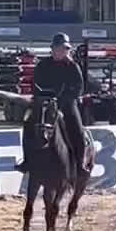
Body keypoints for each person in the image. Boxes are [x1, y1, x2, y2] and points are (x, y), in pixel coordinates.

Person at [15, 32, 88, 174]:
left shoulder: (73, 67)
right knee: (28, 124)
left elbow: (79, 88)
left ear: (67, 50)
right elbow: (36, 84)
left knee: (78, 130)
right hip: (45, 104)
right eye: (58, 48)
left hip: (67, 105)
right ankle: (27, 161)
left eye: (63, 49)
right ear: (52, 49)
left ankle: (80, 164)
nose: (60, 52)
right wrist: (42, 98)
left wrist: (64, 100)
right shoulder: (43, 65)